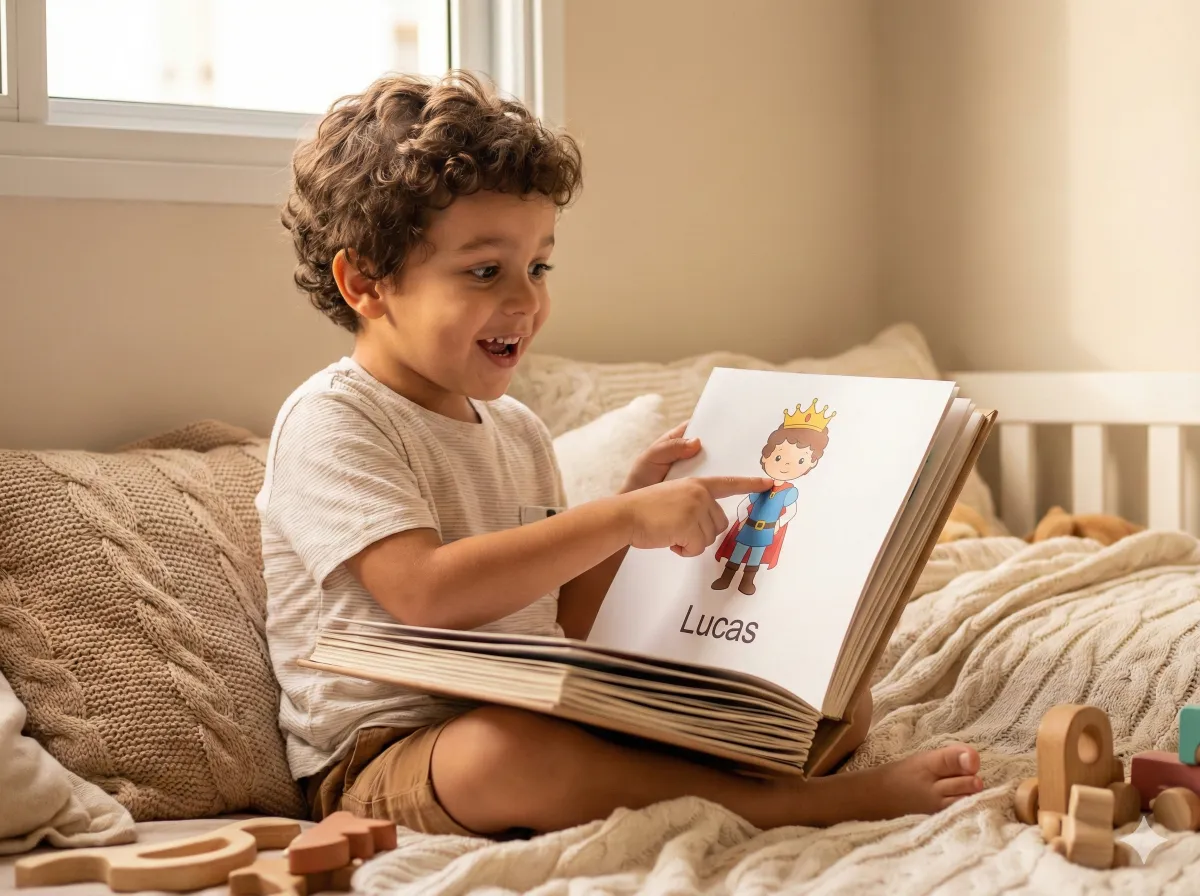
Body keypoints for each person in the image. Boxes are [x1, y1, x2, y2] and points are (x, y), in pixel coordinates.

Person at [257, 70, 982, 839]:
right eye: (484, 271)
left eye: (539, 267)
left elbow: (568, 616)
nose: (527, 300)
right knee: (505, 754)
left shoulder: (517, 430)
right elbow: (425, 593)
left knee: (833, 699)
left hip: (539, 705)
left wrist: (631, 533)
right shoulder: (334, 419)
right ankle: (791, 807)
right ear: (365, 283)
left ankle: (746, 773)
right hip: (393, 755)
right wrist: (614, 519)